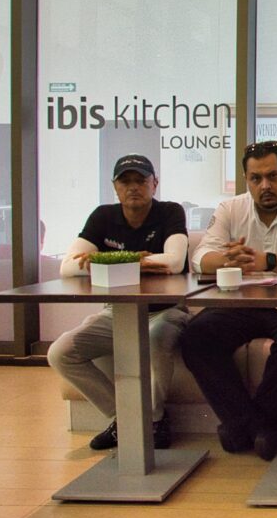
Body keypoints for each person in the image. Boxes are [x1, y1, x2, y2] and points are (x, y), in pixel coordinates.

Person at [180, 141, 277, 461]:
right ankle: (246, 422)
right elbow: (199, 259)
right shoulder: (230, 209)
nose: (265, 185)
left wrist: (269, 259)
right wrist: (225, 259)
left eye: (274, 175)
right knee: (195, 336)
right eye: (256, 178)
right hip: (240, 301)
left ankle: (264, 424)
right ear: (246, 180)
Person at [47, 154, 189, 451]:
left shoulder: (170, 212)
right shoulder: (103, 216)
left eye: (141, 180)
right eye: (126, 181)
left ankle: (154, 419)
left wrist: (104, 261)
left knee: (155, 337)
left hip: (165, 311)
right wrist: (139, 260)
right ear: (115, 186)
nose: (133, 187)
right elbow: (68, 267)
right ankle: (124, 420)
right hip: (116, 314)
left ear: (155, 183)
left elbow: (174, 262)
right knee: (60, 352)